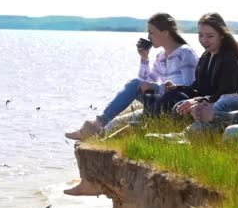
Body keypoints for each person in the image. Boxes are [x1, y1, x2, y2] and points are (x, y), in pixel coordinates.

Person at [64, 12, 198, 141]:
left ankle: (97, 124)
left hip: (175, 105)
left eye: (152, 32)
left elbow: (190, 88)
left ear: (166, 33)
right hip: (157, 102)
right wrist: (144, 58)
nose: (149, 37)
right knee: (115, 122)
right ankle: (96, 130)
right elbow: (146, 82)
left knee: (134, 85)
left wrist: (157, 88)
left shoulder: (185, 53)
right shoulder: (161, 56)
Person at [156, 13, 238, 115]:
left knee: (178, 104)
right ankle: (149, 118)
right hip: (204, 101)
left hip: (220, 106)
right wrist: (177, 87)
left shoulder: (230, 59)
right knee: (173, 95)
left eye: (210, 36)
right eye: (200, 35)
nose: (204, 40)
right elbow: (198, 86)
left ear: (222, 35)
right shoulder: (205, 56)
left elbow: (225, 94)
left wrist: (198, 101)